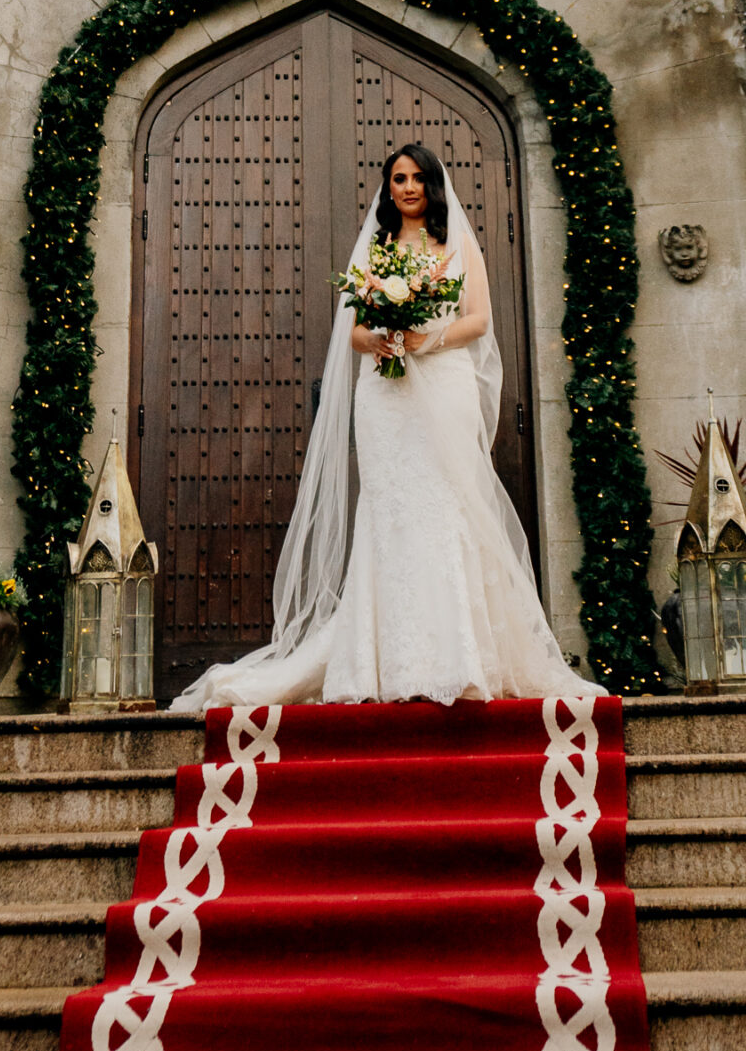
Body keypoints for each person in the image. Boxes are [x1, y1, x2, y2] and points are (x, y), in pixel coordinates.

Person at [171, 142, 592, 709]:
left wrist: (427, 339)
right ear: (388, 187)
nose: (409, 187)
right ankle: (380, 662)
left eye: (419, 177)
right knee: (389, 511)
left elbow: (479, 320)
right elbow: (354, 331)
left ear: (434, 185)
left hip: (442, 386)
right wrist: (381, 338)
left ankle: (457, 658)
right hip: (386, 397)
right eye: (399, 178)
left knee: (446, 507)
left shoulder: (458, 243)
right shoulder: (375, 247)